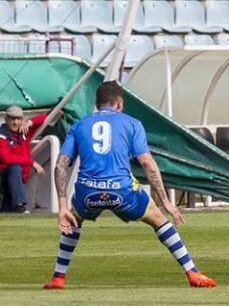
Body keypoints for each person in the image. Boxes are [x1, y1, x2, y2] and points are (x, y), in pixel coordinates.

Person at [42, 81, 217, 290]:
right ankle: (193, 272)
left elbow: (61, 166)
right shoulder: (132, 123)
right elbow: (148, 165)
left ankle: (58, 277)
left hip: (88, 193)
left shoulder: (79, 125)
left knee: (73, 218)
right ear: (119, 103)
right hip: (122, 191)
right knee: (158, 218)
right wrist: (166, 202)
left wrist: (62, 206)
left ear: (97, 104)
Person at [0, 106, 47, 213]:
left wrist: (30, 122)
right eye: (12, 119)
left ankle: (15, 208)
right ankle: (20, 205)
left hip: (17, 180)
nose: (15, 122)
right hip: (4, 177)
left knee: (6, 214)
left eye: (18, 119)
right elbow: (6, 158)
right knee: (14, 167)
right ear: (6, 119)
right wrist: (32, 163)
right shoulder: (1, 135)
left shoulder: (24, 131)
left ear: (22, 120)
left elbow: (45, 117)